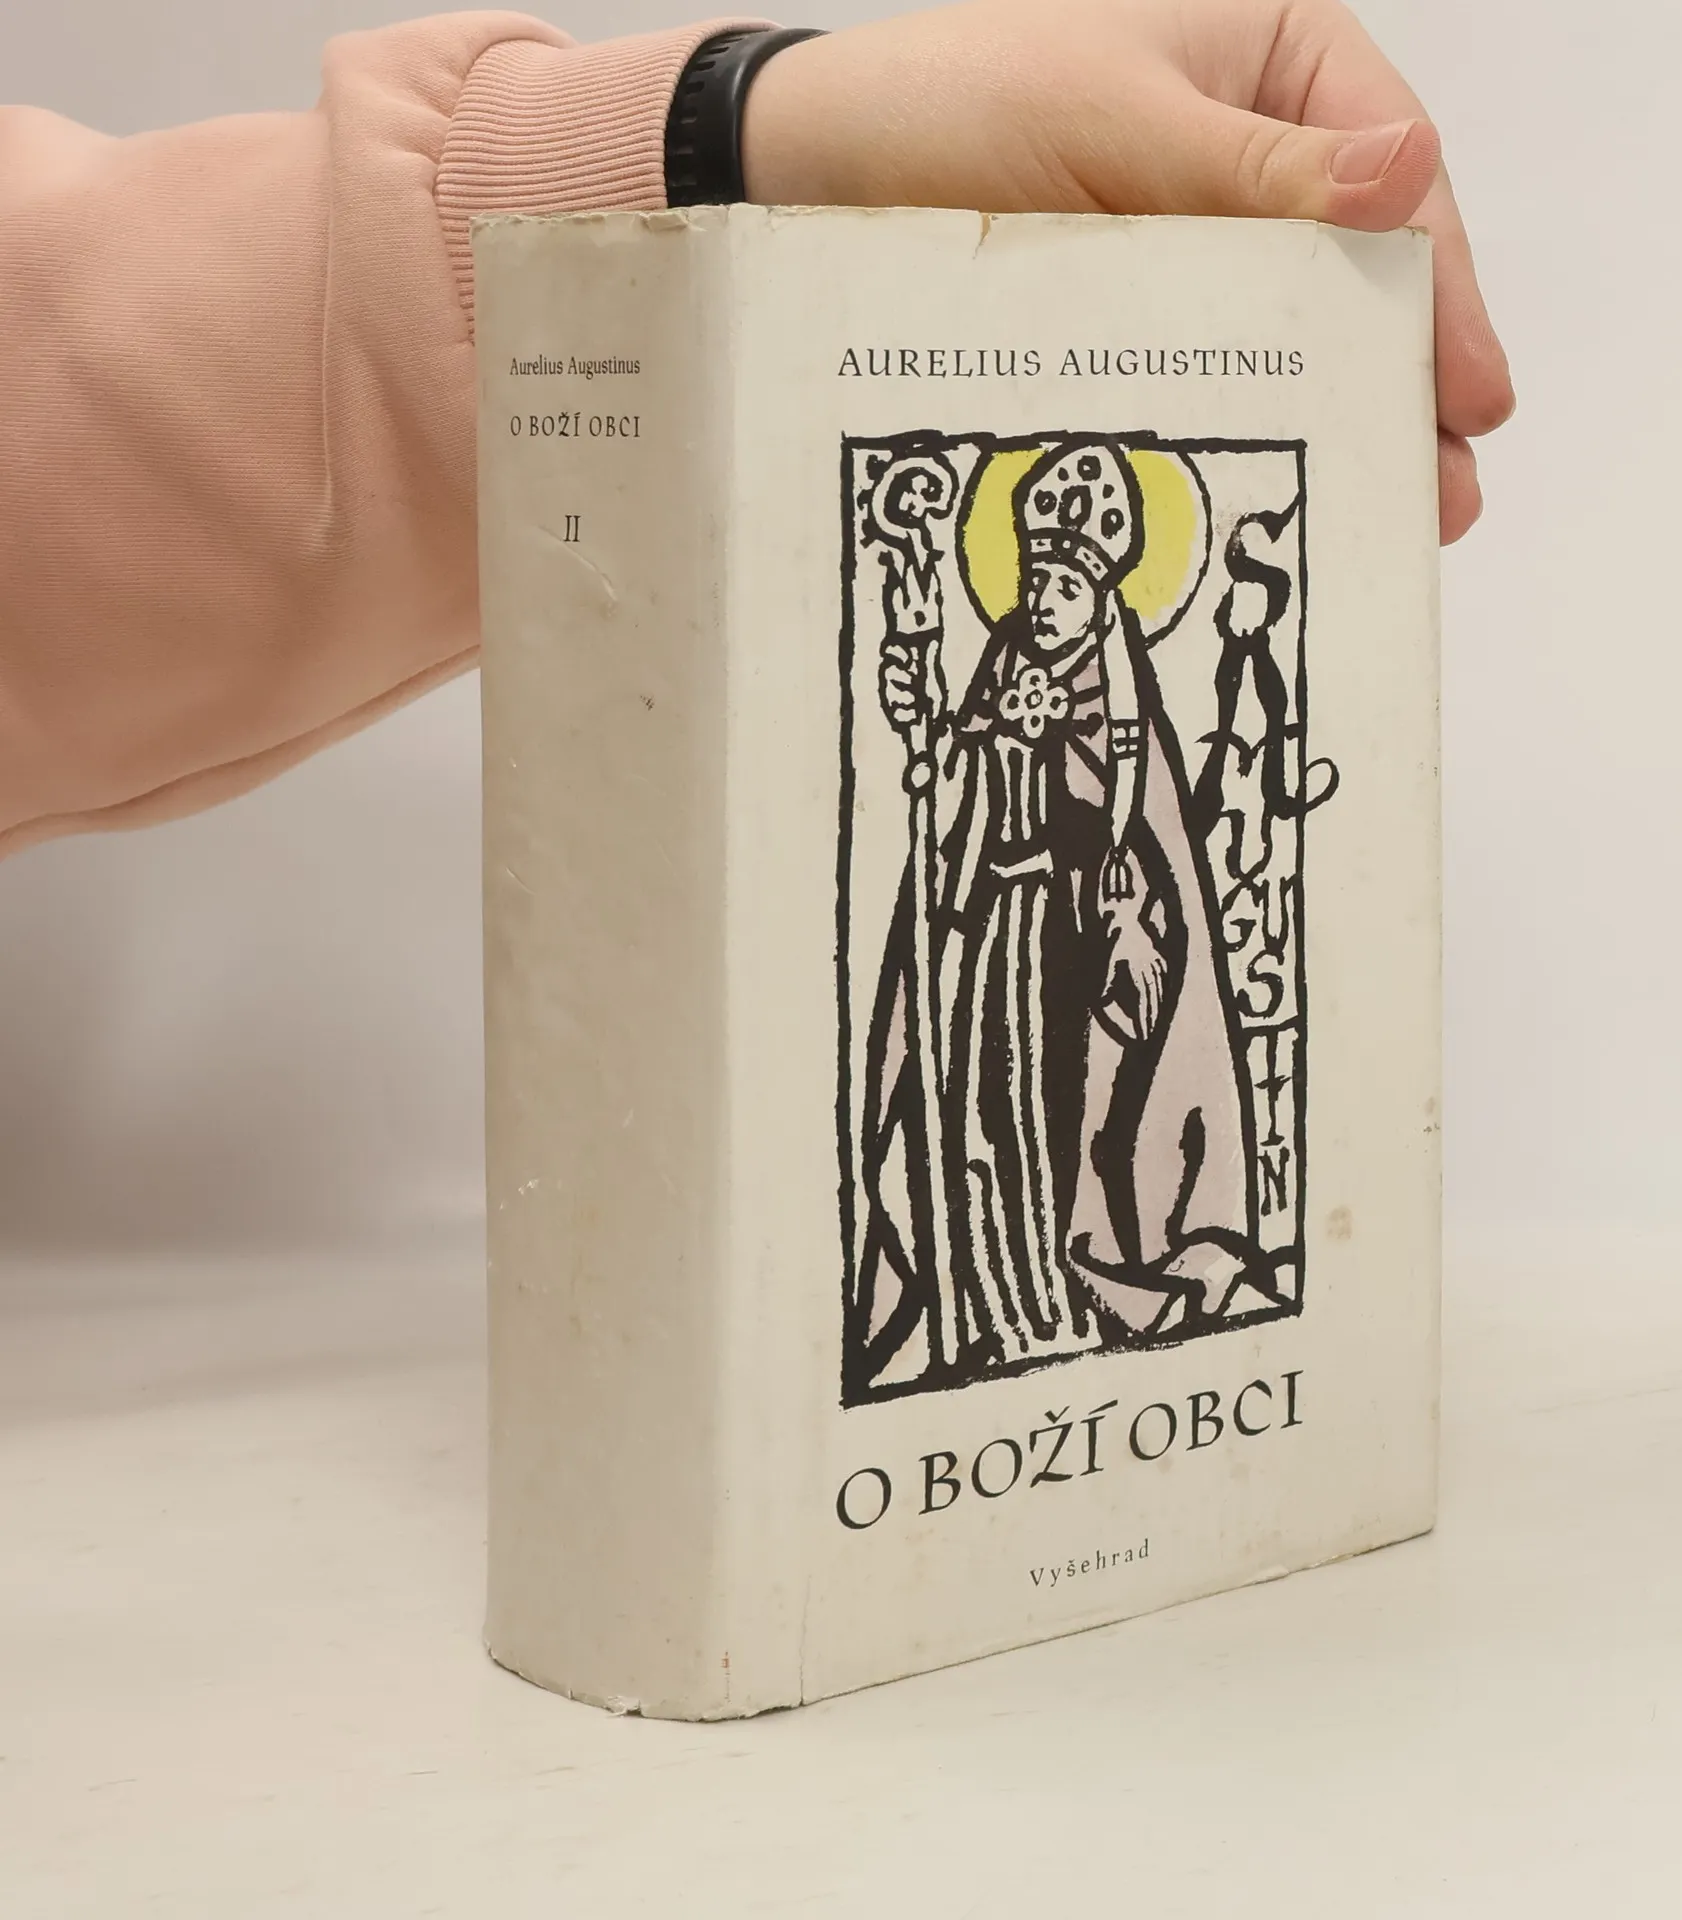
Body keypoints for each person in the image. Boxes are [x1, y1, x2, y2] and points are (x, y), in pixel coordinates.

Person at [0, 0, 1512, 863]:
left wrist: (723, 149)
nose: (1058, 576)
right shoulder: (1008, 653)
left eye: (1085, 552)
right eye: (1049, 548)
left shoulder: (1120, 673)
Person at [856, 440, 1264, 1392]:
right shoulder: (1003, 660)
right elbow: (953, 779)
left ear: (1102, 595)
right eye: (1035, 580)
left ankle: (1066, 1288)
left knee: (1059, 1122)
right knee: (977, 1117)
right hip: (990, 941)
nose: (1043, 600)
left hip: (1068, 951)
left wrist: (1098, 891)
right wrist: (924, 719)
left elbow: (1135, 839)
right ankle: (983, 1293)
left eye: (1066, 586)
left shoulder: (1121, 704)